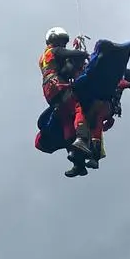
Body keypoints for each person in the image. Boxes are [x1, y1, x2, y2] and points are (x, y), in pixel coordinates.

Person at [39, 26, 94, 176]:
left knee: (66, 120)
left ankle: (77, 161)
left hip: (49, 92)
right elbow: (72, 54)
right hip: (58, 85)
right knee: (77, 107)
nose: (63, 45)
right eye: (62, 42)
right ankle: (81, 138)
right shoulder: (55, 51)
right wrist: (84, 54)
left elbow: (63, 68)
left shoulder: (44, 57)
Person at [81, 68, 130, 169]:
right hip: (91, 100)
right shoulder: (97, 66)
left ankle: (95, 155)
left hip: (108, 103)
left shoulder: (126, 73)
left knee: (98, 114)